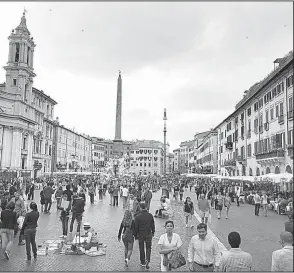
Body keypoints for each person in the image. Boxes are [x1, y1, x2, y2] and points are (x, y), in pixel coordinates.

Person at [134, 202, 155, 269]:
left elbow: (136, 227)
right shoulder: (150, 215)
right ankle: (147, 260)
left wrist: (135, 235)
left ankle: (142, 262)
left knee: (141, 248)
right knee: (148, 248)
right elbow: (152, 224)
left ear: (140, 208)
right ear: (145, 207)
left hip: (141, 234)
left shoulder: (137, 216)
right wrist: (153, 231)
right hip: (149, 233)